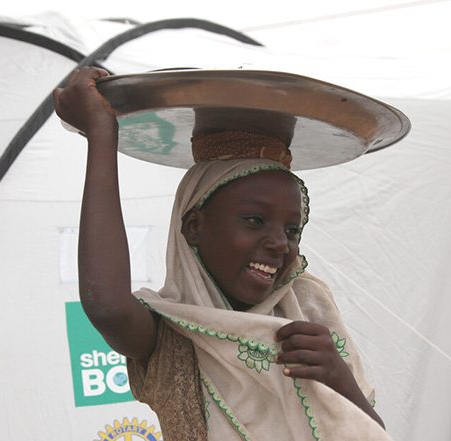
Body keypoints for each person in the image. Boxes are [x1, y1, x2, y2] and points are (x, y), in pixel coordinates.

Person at [54, 67, 391, 440]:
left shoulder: (310, 320)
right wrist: (102, 133)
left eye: (292, 229)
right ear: (195, 226)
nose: (281, 243)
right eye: (254, 220)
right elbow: (108, 306)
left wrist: (339, 378)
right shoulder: (170, 337)